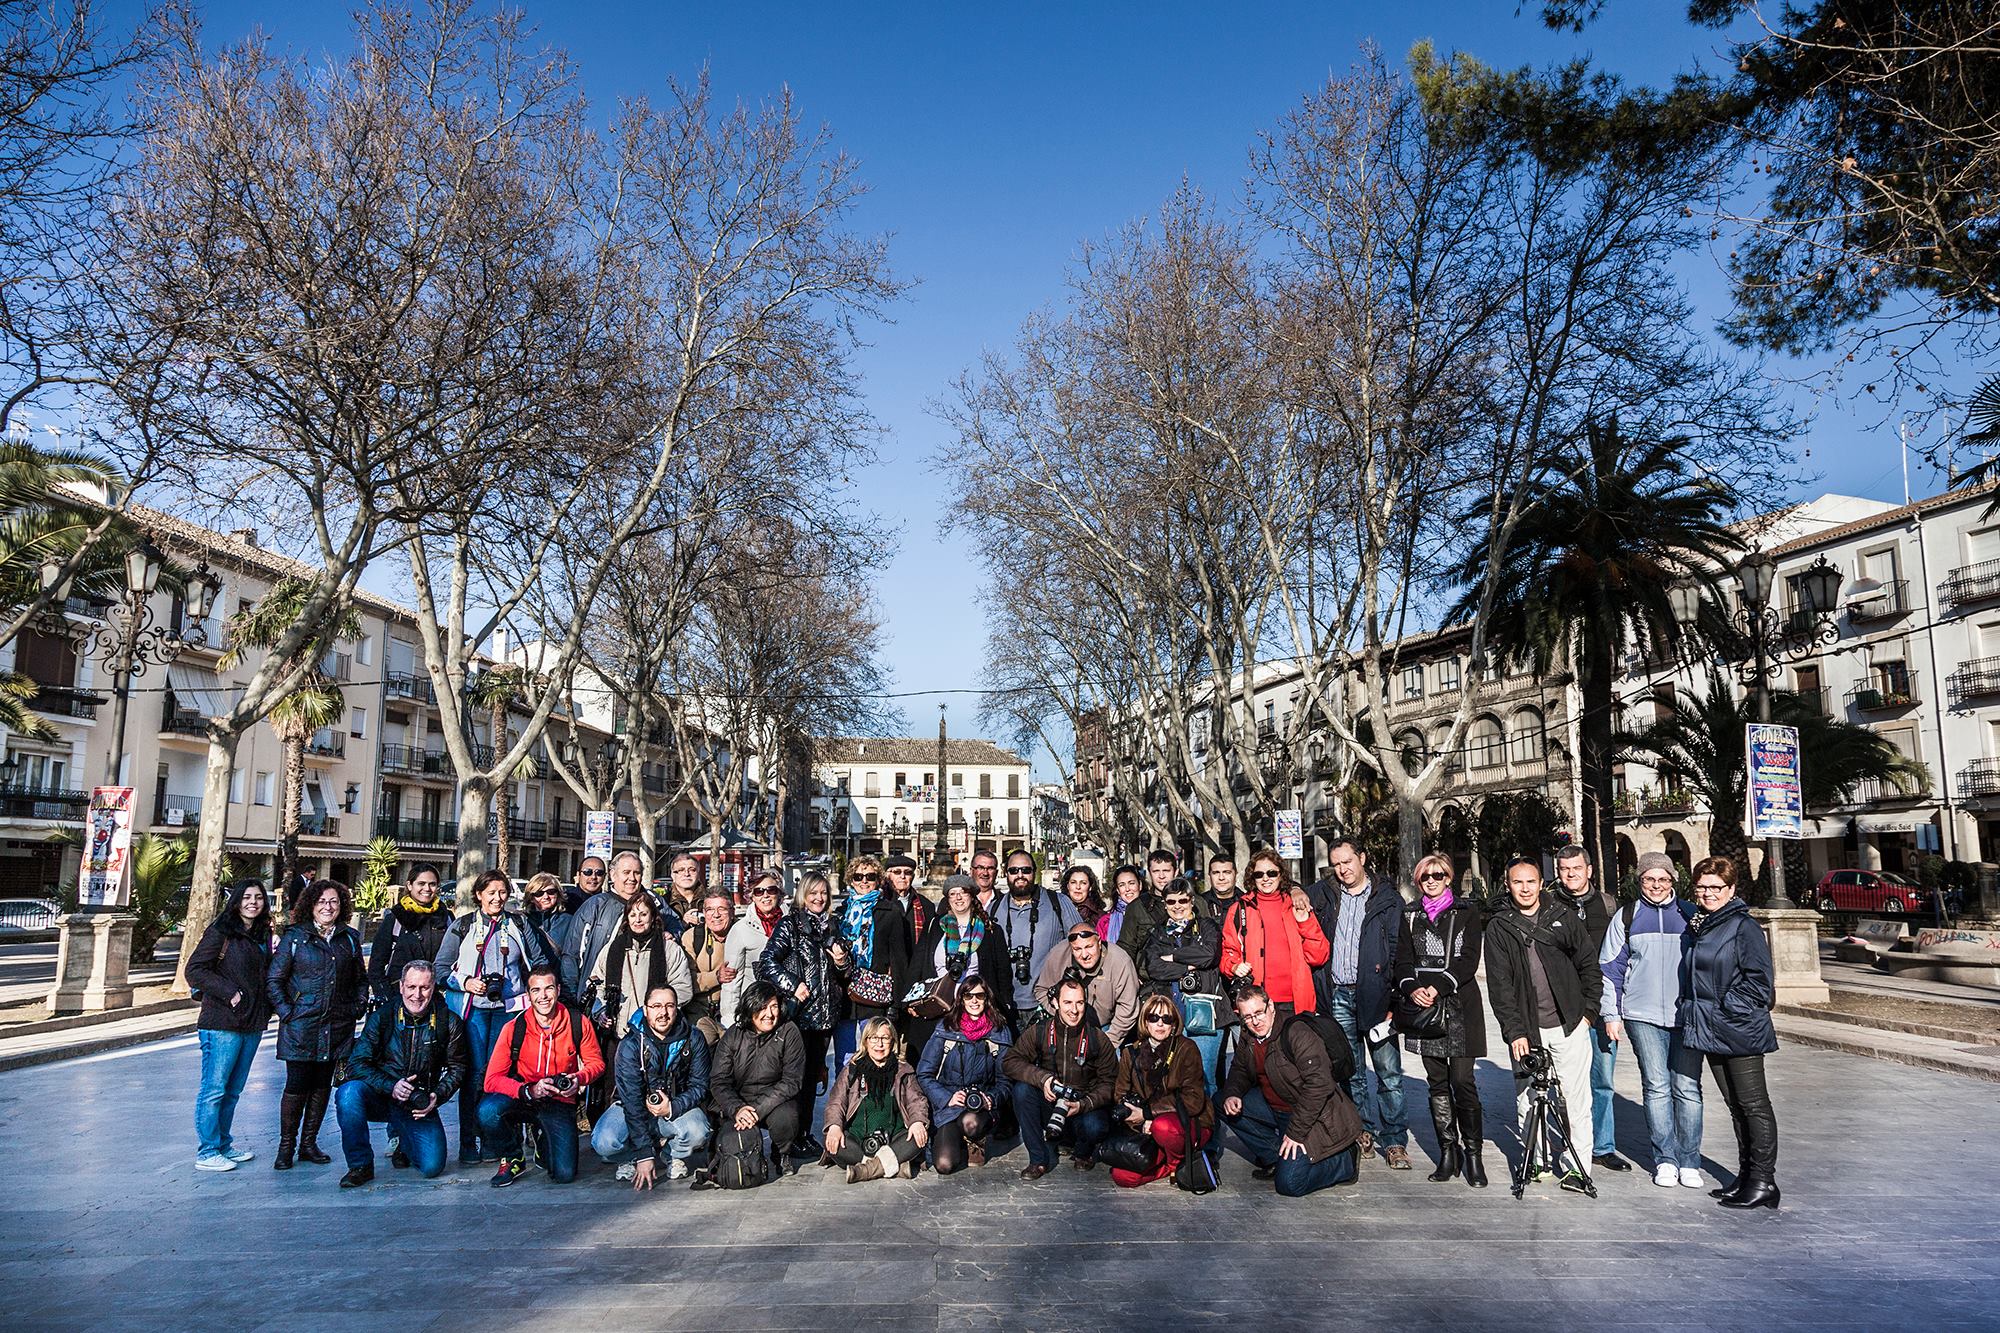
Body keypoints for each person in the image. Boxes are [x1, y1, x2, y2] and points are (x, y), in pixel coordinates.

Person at [1484, 857, 1602, 1191]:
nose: (1524, 888)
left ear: (1541, 883)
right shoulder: (1499, 927)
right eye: (1517, 882)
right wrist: (1514, 1031)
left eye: (1530, 881)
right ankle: (1535, 1161)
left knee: (1575, 1101)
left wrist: (1587, 1015)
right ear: (1507, 885)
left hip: (1568, 1025)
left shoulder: (1562, 918)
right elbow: (1500, 985)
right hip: (1527, 1030)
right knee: (1526, 1098)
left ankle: (1577, 1166)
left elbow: (1590, 968)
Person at [1680, 856, 1781, 1210]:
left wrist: (1724, 1007)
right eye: (1702, 886)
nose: (1707, 893)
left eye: (1715, 887)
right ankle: (1747, 1175)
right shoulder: (1701, 925)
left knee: (1754, 1105)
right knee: (1736, 1107)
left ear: (1731, 889)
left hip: (1739, 1030)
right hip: (1712, 1030)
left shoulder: (1742, 926)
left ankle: (1765, 1181)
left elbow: (1760, 984)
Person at [1600, 851, 1703, 1189]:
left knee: (1687, 1088)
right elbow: (1610, 970)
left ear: (1673, 881)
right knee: (1657, 1088)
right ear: (1640, 881)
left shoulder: (1691, 915)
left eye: (1663, 879)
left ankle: (1690, 1160)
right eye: (1649, 879)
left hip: (1685, 1015)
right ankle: (1666, 1160)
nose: (1656, 885)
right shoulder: (1626, 917)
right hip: (1641, 1016)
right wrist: (1611, 1015)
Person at [434, 868, 550, 1164]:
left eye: (502, 892)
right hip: (472, 1010)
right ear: (478, 895)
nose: (498, 898)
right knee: (474, 1074)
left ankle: (496, 1139)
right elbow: (441, 969)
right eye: (491, 893)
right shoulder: (462, 926)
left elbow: (538, 962)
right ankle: (468, 1141)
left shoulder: (518, 924)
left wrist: (533, 991)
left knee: (501, 1075)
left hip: (510, 1010)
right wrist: (466, 982)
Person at [1306, 838, 1409, 1169]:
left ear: (1362, 858)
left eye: (1348, 861)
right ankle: (1362, 1130)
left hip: (1376, 995)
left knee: (1388, 1071)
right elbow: (1293, 893)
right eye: (1336, 864)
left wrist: (1394, 997)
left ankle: (1394, 1140)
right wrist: (1296, 892)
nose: (1343, 869)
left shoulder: (1387, 899)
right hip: (1338, 994)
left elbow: (1397, 949)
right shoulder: (1325, 893)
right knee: (1351, 1070)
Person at [1392, 852, 1489, 1187]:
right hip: (1423, 1009)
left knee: (1463, 1080)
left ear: (1449, 878)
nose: (1431, 881)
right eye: (1424, 877)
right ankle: (1448, 1152)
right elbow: (1402, 960)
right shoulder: (1409, 915)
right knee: (1437, 1083)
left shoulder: (1466, 911)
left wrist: (1437, 987)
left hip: (1460, 1005)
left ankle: (1473, 1154)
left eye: (1438, 875)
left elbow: (1468, 960)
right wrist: (1413, 988)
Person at [1218, 983, 1363, 1198]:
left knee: (1290, 1184)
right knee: (1220, 1101)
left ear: (1271, 1007)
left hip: (1311, 1115)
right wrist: (1232, 1093)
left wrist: (1295, 1133)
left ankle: (1345, 1161)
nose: (1255, 1021)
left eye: (1259, 1013)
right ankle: (1275, 1157)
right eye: (1247, 1017)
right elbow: (1240, 1068)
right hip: (1275, 1108)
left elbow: (1319, 1085)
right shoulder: (1249, 1035)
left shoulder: (1296, 1032)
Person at [334, 960, 467, 1186]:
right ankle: (360, 1165)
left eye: (424, 987)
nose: (417, 995)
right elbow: (357, 1063)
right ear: (401, 987)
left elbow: (458, 1067)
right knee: (348, 1094)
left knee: (432, 1167)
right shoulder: (383, 1017)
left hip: (417, 1103)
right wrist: (391, 1086)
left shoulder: (448, 1021)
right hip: (379, 1094)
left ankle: (404, 1141)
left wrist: (436, 1097)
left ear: (433, 987)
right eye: (412, 987)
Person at [266, 878, 366, 1171]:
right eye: (322, 901)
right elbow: (274, 979)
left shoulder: (348, 938)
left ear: (342, 905)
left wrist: (357, 1007)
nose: (328, 907)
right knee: (297, 1085)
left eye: (333, 901)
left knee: (322, 1085)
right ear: (311, 904)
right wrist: (288, 1012)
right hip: (301, 1026)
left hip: (337, 1026)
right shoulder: (295, 937)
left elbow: (360, 979)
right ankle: (286, 1146)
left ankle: (309, 1143)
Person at [478, 965, 605, 1187]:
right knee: (487, 1111)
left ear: (557, 989)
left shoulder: (577, 1022)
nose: (543, 996)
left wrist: (579, 1078)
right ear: (528, 995)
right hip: (524, 1095)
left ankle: (542, 1142)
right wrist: (527, 1090)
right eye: (536, 990)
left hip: (559, 1100)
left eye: (548, 989)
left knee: (563, 1174)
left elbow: (597, 1064)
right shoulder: (514, 1027)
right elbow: (491, 1080)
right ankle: (512, 1155)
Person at [187, 877, 275, 1170]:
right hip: (222, 1022)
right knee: (214, 1088)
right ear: (236, 901)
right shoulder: (221, 931)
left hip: (252, 1023)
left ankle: (224, 1144)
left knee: (234, 1089)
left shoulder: (262, 934)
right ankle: (207, 1150)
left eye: (259, 898)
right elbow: (195, 970)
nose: (253, 902)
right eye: (247, 897)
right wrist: (231, 993)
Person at [757, 873, 846, 1155]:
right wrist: (794, 985)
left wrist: (843, 961)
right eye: (813, 893)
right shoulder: (791, 925)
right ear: (803, 896)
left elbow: (845, 973)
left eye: (823, 894)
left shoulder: (833, 925)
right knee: (795, 1078)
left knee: (813, 1079)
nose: (819, 899)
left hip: (825, 1017)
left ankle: (805, 1133)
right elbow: (767, 962)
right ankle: (789, 1136)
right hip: (800, 1017)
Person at [591, 985, 711, 1187]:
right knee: (604, 1140)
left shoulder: (694, 1037)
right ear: (645, 1010)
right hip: (633, 1107)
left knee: (698, 1130)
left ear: (677, 1008)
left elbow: (700, 1085)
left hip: (674, 1106)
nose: (663, 1013)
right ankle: (629, 1157)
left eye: (669, 1006)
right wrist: (644, 1155)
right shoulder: (630, 1044)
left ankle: (671, 1155)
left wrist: (673, 1106)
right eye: (656, 1006)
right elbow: (630, 1099)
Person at [1554, 843, 1626, 1174]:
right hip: (1560, 1005)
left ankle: (1603, 1146)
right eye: (1565, 870)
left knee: (1602, 1078)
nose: (1571, 875)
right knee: (1563, 1081)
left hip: (1600, 1003)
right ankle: (1567, 1143)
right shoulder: (1549, 905)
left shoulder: (1608, 905)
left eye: (1576, 869)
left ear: (1589, 870)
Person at [1003, 976, 1117, 1178]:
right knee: (1022, 1090)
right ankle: (1038, 1160)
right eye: (1067, 1002)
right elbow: (1010, 1062)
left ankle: (1083, 1152)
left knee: (1096, 1126)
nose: (1074, 1010)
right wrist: (1042, 1079)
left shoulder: (1098, 1038)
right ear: (1055, 1002)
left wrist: (1084, 1104)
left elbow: (1110, 1083)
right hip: (1052, 1103)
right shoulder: (1040, 1031)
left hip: (1083, 1107)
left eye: (1079, 1003)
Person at [701, 981, 806, 1186]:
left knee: (788, 1117)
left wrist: (757, 1110)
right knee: (727, 1128)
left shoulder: (789, 1031)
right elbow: (719, 1080)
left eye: (773, 1006)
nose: (769, 1013)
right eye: (762, 1007)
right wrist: (738, 1108)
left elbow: (791, 1081)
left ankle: (782, 1153)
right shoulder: (734, 1035)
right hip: (739, 1098)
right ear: (750, 1009)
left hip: (775, 1098)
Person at [1109, 996, 1214, 1188]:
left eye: (1166, 1019)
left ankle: (1177, 1167)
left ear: (1174, 1024)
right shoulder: (1130, 1053)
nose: (1160, 1023)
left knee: (1163, 1126)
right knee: (1122, 1176)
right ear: (1145, 1022)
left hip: (1185, 1124)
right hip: (1147, 1127)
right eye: (1153, 1017)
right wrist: (1139, 1123)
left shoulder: (1186, 1048)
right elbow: (1120, 1094)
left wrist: (1149, 1114)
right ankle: (1174, 1166)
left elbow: (1193, 1100)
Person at [587, 893, 694, 1073]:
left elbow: (683, 989)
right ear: (626, 918)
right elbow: (596, 983)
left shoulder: (670, 950)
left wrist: (658, 1009)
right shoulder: (611, 949)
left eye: (643, 914)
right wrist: (600, 1011)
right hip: (617, 1032)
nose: (638, 920)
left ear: (653, 917)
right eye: (633, 915)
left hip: (656, 1035)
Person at [916, 977, 1013, 1175]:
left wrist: (991, 1099)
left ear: (987, 998)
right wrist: (947, 1098)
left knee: (971, 1124)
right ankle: (958, 1141)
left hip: (980, 1107)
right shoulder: (945, 1028)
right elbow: (924, 1074)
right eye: (968, 996)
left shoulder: (999, 1031)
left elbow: (1006, 1081)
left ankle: (975, 1138)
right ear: (961, 999)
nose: (974, 1001)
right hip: (949, 1105)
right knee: (944, 1164)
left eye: (980, 995)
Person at [910, 875, 1014, 1055]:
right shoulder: (934, 926)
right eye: (952, 894)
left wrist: (1006, 1004)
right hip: (939, 1006)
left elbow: (1002, 971)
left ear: (972, 896)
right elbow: (917, 963)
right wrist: (910, 1000)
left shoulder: (990, 930)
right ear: (947, 899)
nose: (958, 898)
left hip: (975, 1007)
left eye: (963, 893)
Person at [1219, 849, 1329, 1020]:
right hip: (1256, 1005)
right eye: (1259, 874)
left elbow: (1319, 956)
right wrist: (1233, 966)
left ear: (1281, 875)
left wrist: (1305, 922)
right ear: (1252, 878)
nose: (1265, 878)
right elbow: (1228, 951)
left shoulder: (1296, 905)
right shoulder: (1239, 910)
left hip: (1296, 1002)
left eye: (1271, 873)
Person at [1141, 879, 1226, 1090]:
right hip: (1171, 1014)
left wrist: (1174, 956)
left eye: (1182, 900)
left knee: (1205, 1080)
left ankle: (1208, 1123)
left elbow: (1208, 955)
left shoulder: (1206, 925)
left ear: (1191, 901)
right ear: (1165, 903)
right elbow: (1154, 968)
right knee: (1171, 1080)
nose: (1177, 906)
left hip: (1204, 1013)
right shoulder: (1157, 932)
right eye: (1171, 901)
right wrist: (1188, 967)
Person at [822, 1017, 931, 1181]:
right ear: (865, 1041)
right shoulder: (852, 1069)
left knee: (917, 1137)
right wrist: (835, 1126)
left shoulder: (903, 1070)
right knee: (834, 1142)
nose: (879, 1044)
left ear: (892, 1041)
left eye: (885, 1038)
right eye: (873, 1038)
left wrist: (917, 1121)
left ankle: (866, 1170)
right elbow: (836, 1102)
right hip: (858, 1138)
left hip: (894, 1137)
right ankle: (894, 1165)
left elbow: (917, 1101)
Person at [835, 854, 909, 1067]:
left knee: (875, 1056)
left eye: (870, 876)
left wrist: (896, 1004)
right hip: (846, 996)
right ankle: (847, 1098)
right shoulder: (842, 913)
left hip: (875, 997)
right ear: (851, 880)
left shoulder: (890, 911)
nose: (864, 881)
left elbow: (899, 961)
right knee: (846, 1058)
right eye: (858, 877)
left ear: (878, 880)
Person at [563, 850, 664, 1001]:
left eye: (636, 873)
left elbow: (675, 927)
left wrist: (670, 934)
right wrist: (571, 997)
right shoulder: (595, 905)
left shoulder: (654, 903)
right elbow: (572, 953)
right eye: (626, 872)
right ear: (612, 874)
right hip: (597, 995)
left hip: (640, 995)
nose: (631, 878)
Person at [993, 850, 1082, 1020]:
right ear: (1006, 873)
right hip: (1006, 1007)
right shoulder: (994, 909)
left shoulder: (1058, 902)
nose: (1020, 875)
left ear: (1035, 872)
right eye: (1013, 870)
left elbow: (1082, 945)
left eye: (1026, 870)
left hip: (1048, 1006)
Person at [1033, 922, 1140, 1045]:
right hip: (1066, 1027)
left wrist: (1107, 1042)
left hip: (1105, 1028)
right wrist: (1060, 1012)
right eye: (1077, 949)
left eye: (1089, 946)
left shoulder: (1120, 961)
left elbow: (1128, 1008)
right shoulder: (1058, 954)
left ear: (1099, 943)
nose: (1084, 955)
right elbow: (1041, 990)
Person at [365, 863, 449, 1006]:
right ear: (410, 885)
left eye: (432, 884)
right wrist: (387, 997)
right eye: (421, 884)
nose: (427, 889)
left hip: (435, 998)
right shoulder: (395, 919)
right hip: (398, 998)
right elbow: (376, 965)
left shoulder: (446, 918)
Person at [723, 871, 785, 1028]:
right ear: (752, 896)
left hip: (787, 1006)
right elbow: (732, 979)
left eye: (771, 890)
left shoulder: (792, 923)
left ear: (779, 893)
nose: (765, 896)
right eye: (759, 891)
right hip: (755, 1009)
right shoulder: (740, 929)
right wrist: (730, 1018)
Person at [681, 888, 738, 1044]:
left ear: (732, 912)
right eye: (710, 910)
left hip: (736, 1012)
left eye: (722, 909)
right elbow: (685, 980)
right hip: (700, 1012)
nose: (716, 915)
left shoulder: (743, 934)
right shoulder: (692, 937)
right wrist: (716, 977)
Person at [521, 872, 577, 979]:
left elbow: (573, 957)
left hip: (559, 981)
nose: (546, 897)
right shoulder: (522, 921)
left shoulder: (569, 920)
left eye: (551, 892)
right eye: (539, 893)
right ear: (531, 897)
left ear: (558, 894)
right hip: (531, 982)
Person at [1098, 863, 1146, 951]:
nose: (1127, 889)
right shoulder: (1105, 922)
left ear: (1140, 885)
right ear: (1118, 890)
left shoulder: (1152, 913)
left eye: (1131, 883)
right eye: (1122, 885)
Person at [883, 853, 928, 943]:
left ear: (913, 877)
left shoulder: (926, 905)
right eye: (897, 872)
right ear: (887, 876)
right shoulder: (879, 903)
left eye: (908, 873)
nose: (902, 876)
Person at [1201, 851, 1241, 918]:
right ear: (1209, 875)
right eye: (1216, 873)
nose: (1221, 878)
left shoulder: (1248, 903)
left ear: (1235, 874)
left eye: (1227, 872)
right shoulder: (1199, 904)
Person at [968, 848, 1000, 915]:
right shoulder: (955, 901)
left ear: (996, 873)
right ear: (971, 871)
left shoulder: (1006, 902)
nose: (985, 873)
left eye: (990, 868)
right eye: (980, 868)